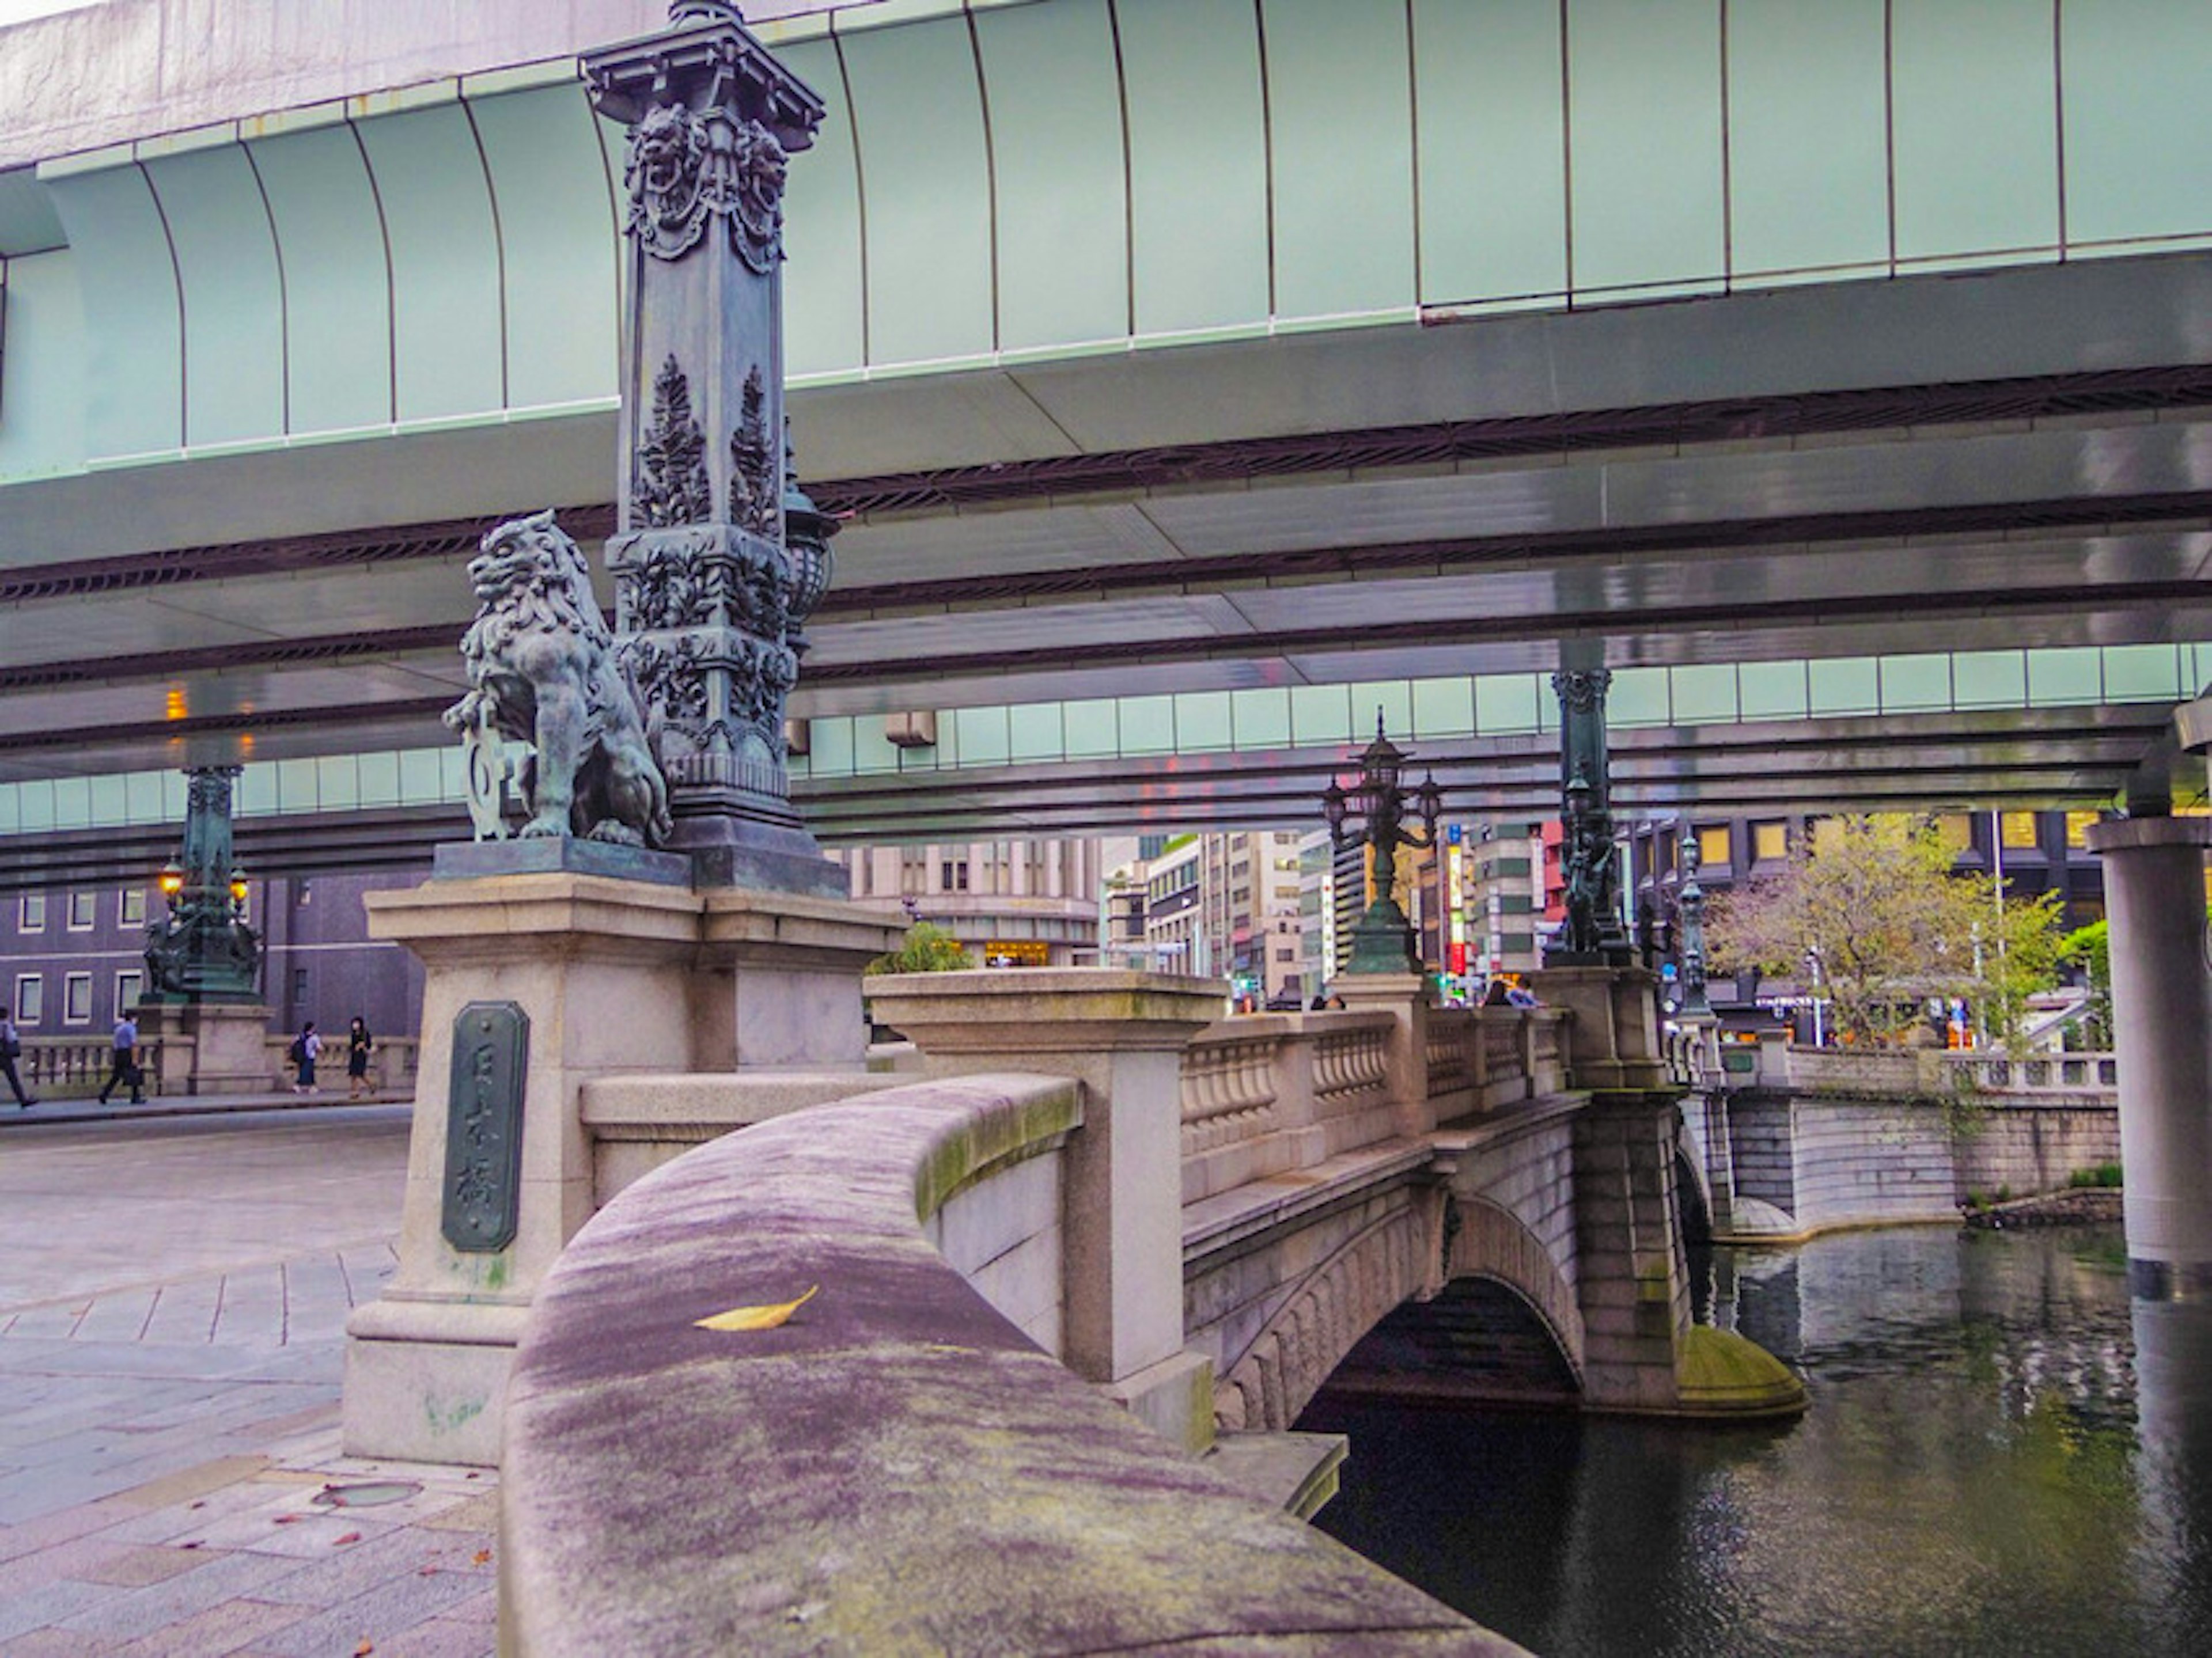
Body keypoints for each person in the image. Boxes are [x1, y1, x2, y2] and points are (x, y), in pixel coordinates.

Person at [99, 1011, 143, 1105]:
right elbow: (133, 1043)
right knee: (134, 1075)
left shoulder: (119, 1028)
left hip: (119, 1053)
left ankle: (104, 1094)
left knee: (116, 1076)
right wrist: (135, 1059)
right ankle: (136, 1097)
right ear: (132, 1018)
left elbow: (115, 1043)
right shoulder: (131, 1028)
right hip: (127, 1053)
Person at [0, 1006, 35, 1109]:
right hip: (4, 1056)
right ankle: (23, 1100)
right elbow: (11, 1039)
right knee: (14, 1080)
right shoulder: (5, 1026)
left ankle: (23, 1100)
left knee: (14, 1079)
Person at [346, 1016, 374, 1100]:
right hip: (354, 1055)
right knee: (354, 1074)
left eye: (356, 1023)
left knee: (359, 1074)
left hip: (361, 1055)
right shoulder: (354, 1034)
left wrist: (361, 1046)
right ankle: (357, 1091)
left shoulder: (364, 1033)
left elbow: (367, 1043)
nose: (355, 1025)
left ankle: (360, 1090)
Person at [291, 1020, 321, 1095]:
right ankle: (298, 1085)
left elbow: (293, 1043)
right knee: (306, 1072)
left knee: (307, 1071)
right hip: (310, 1056)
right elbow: (319, 1048)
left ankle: (312, 1086)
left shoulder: (301, 1036)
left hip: (301, 1056)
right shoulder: (315, 1037)